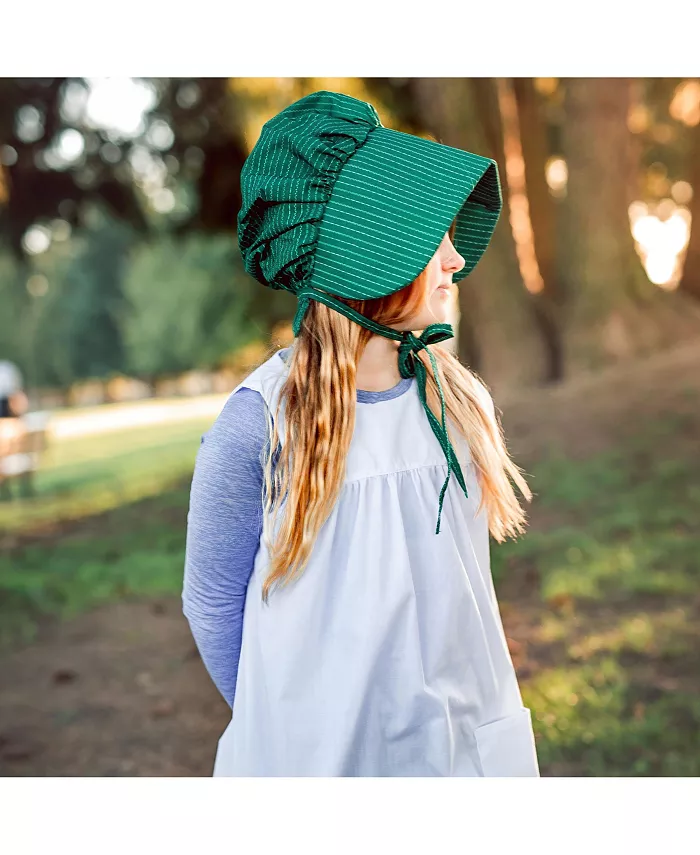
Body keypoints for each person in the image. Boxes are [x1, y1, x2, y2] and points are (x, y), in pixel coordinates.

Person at [182, 90, 540, 777]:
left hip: (460, 758)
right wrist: (289, 722)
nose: (455, 260)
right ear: (368, 257)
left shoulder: (455, 402)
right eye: (429, 237)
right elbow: (213, 604)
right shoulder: (258, 426)